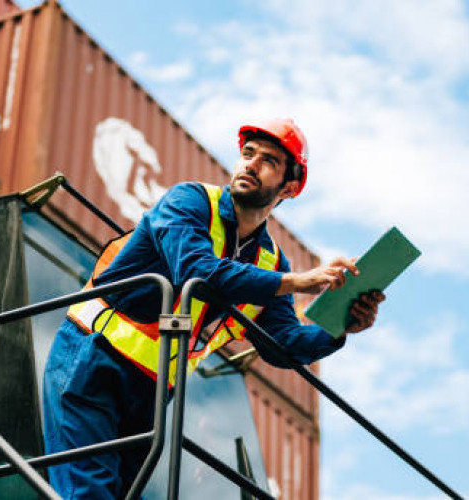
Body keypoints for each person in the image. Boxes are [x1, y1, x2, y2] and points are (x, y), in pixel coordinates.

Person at [42, 118, 386, 498]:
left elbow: (283, 344)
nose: (250, 165)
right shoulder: (188, 201)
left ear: (289, 186)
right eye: (247, 154)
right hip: (92, 360)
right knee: (88, 493)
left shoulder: (271, 262)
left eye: (268, 160)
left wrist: (341, 325)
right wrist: (297, 282)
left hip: (151, 390)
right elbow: (198, 273)